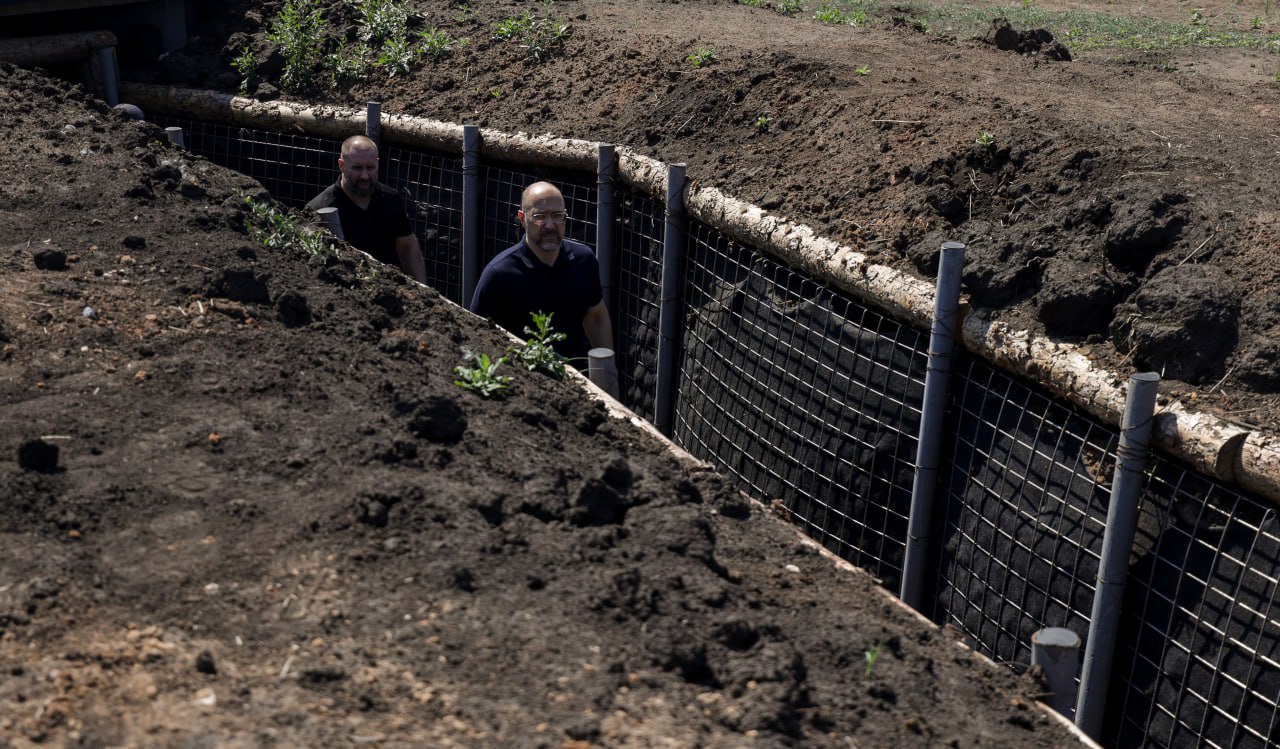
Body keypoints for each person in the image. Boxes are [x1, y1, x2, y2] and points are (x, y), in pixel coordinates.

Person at [470, 181, 614, 371]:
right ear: (522, 218)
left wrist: (607, 373)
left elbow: (596, 317)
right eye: (539, 216)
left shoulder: (584, 260)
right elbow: (476, 334)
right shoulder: (499, 274)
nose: (550, 225)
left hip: (579, 384)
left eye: (557, 216)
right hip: (523, 382)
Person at [306, 135, 427, 283]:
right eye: (357, 168)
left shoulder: (390, 199)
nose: (365, 176)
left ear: (377, 164)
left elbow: (407, 245)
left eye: (370, 168)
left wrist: (424, 289)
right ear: (341, 165)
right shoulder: (320, 209)